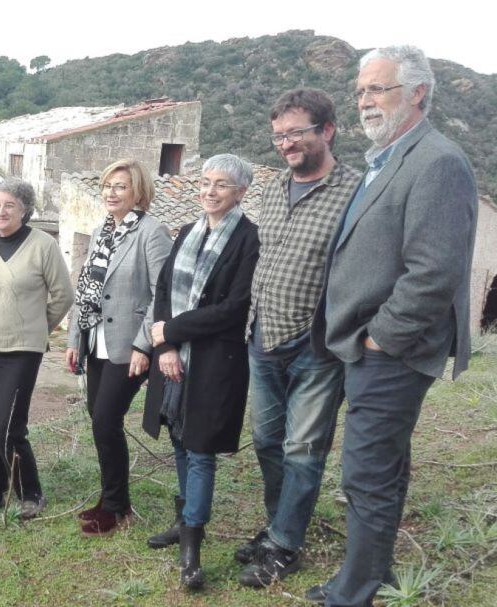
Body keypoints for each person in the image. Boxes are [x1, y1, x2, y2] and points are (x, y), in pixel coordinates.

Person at [308, 46, 478, 607]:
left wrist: (382, 338)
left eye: (376, 89)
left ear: (418, 92)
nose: (364, 101)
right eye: (360, 91)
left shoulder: (438, 161)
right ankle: (363, 577)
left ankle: (352, 593)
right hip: (369, 344)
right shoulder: (389, 157)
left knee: (366, 473)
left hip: (392, 351)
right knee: (381, 468)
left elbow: (434, 273)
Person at [236, 89, 363, 588]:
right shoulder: (271, 188)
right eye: (279, 136)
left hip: (318, 345)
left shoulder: (358, 189)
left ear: (327, 131)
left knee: (304, 448)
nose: (286, 144)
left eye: (296, 133)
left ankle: (286, 546)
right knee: (268, 442)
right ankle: (278, 527)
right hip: (262, 336)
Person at [142, 154, 260, 590]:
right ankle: (184, 521)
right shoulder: (189, 231)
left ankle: (192, 549)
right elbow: (164, 290)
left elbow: (234, 309)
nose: (210, 191)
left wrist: (170, 330)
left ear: (241, 192)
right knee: (177, 436)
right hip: (175, 355)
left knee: (200, 450)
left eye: (222, 185)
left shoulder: (249, 240)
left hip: (215, 361)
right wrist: (167, 345)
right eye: (206, 182)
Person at [64, 159, 171, 536]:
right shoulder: (101, 231)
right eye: (107, 185)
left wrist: (146, 344)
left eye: (120, 186)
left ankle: (115, 505)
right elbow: (86, 289)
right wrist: (75, 337)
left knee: (105, 419)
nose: (110, 192)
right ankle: (114, 498)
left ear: (138, 192)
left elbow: (163, 293)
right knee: (100, 418)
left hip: (129, 344)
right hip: (96, 341)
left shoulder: (152, 233)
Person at [0, 178, 75, 525]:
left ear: (25, 210)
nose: (1, 211)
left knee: (9, 427)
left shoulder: (44, 245)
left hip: (22, 350)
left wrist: (36, 325)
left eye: (9, 205)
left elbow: (63, 295)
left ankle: (32, 492)